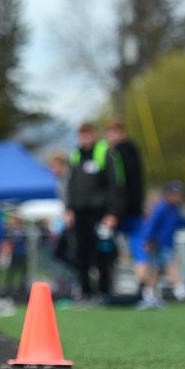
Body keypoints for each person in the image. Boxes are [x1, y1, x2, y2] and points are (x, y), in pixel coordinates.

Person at [64, 122, 113, 302]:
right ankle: (85, 290)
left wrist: (111, 212)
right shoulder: (76, 155)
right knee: (81, 252)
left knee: (102, 252)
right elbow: (70, 184)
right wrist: (69, 208)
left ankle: (104, 290)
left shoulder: (104, 152)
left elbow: (114, 184)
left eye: (88, 134)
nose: (85, 139)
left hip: (99, 212)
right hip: (80, 212)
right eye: (82, 135)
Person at [102, 118, 147, 303]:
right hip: (134, 209)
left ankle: (110, 289)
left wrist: (114, 212)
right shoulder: (134, 152)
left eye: (113, 133)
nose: (110, 137)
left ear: (121, 133)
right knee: (138, 251)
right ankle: (143, 290)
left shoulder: (116, 154)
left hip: (122, 213)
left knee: (108, 249)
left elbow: (119, 185)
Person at [140, 181, 185, 308]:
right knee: (164, 266)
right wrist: (148, 239)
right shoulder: (161, 208)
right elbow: (152, 224)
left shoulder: (174, 209)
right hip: (157, 243)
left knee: (158, 268)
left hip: (166, 243)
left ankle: (150, 293)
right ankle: (179, 291)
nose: (177, 197)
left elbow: (182, 222)